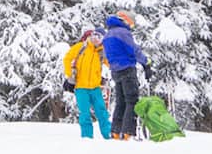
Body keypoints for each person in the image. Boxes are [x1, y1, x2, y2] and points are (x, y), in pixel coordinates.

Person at [102, 10, 152, 141]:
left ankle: (116, 131)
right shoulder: (123, 33)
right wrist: (146, 63)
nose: (131, 27)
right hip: (127, 70)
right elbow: (134, 49)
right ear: (126, 21)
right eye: (131, 23)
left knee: (120, 102)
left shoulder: (108, 35)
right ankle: (128, 132)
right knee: (132, 101)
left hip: (115, 71)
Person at [63, 27, 112, 139]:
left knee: (102, 113)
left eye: (99, 37)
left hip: (95, 87)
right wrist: (69, 75)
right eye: (95, 35)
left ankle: (108, 135)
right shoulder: (81, 47)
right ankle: (87, 137)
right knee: (84, 114)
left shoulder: (102, 51)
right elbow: (67, 58)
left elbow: (111, 64)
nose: (96, 39)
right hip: (81, 87)